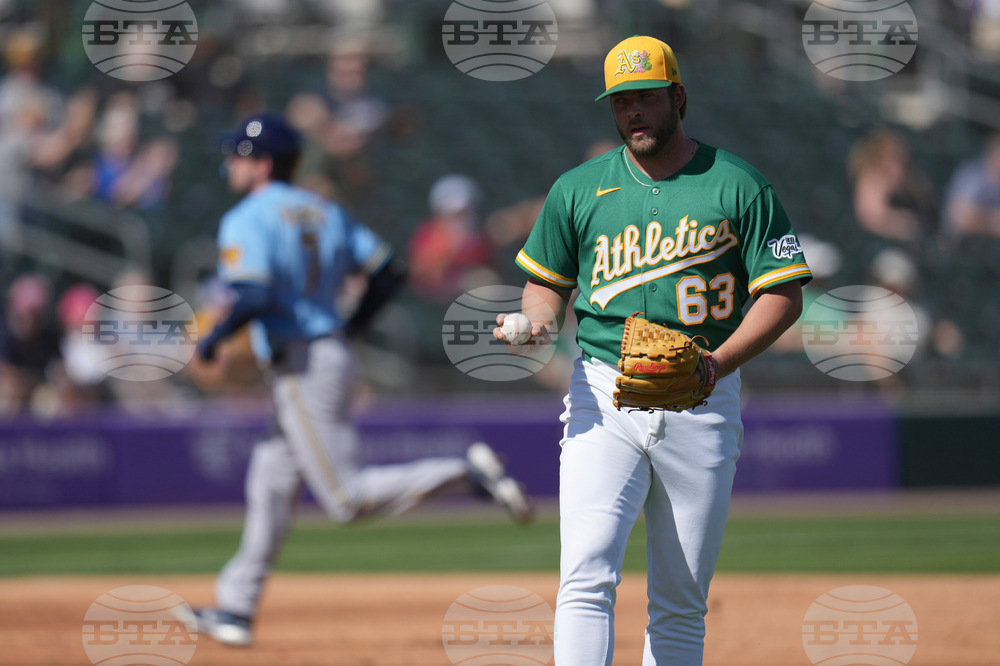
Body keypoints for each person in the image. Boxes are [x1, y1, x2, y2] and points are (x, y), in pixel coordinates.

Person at [494, 36, 810, 664]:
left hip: (703, 392)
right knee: (585, 576)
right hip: (601, 392)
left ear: (678, 97)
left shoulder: (738, 184)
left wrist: (718, 364)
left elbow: (783, 296)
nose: (632, 112)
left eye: (645, 97)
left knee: (681, 598)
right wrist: (535, 323)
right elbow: (545, 286)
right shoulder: (579, 189)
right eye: (620, 102)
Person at [188, 113, 534, 647]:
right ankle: (235, 606)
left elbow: (254, 296)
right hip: (325, 352)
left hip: (302, 364)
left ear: (261, 163)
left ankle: (466, 474)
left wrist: (213, 338)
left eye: (237, 154)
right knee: (270, 482)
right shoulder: (325, 210)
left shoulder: (246, 217)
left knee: (346, 500)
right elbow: (389, 270)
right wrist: (349, 328)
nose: (228, 163)